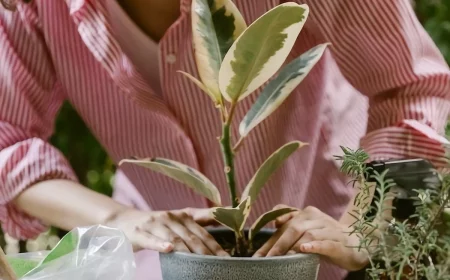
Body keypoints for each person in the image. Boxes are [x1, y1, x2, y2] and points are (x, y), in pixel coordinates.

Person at [0, 0, 449, 279]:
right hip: (165, 250)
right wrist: (117, 217)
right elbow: (8, 138)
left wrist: (365, 228)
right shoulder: (35, 6)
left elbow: (412, 88)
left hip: (324, 240)